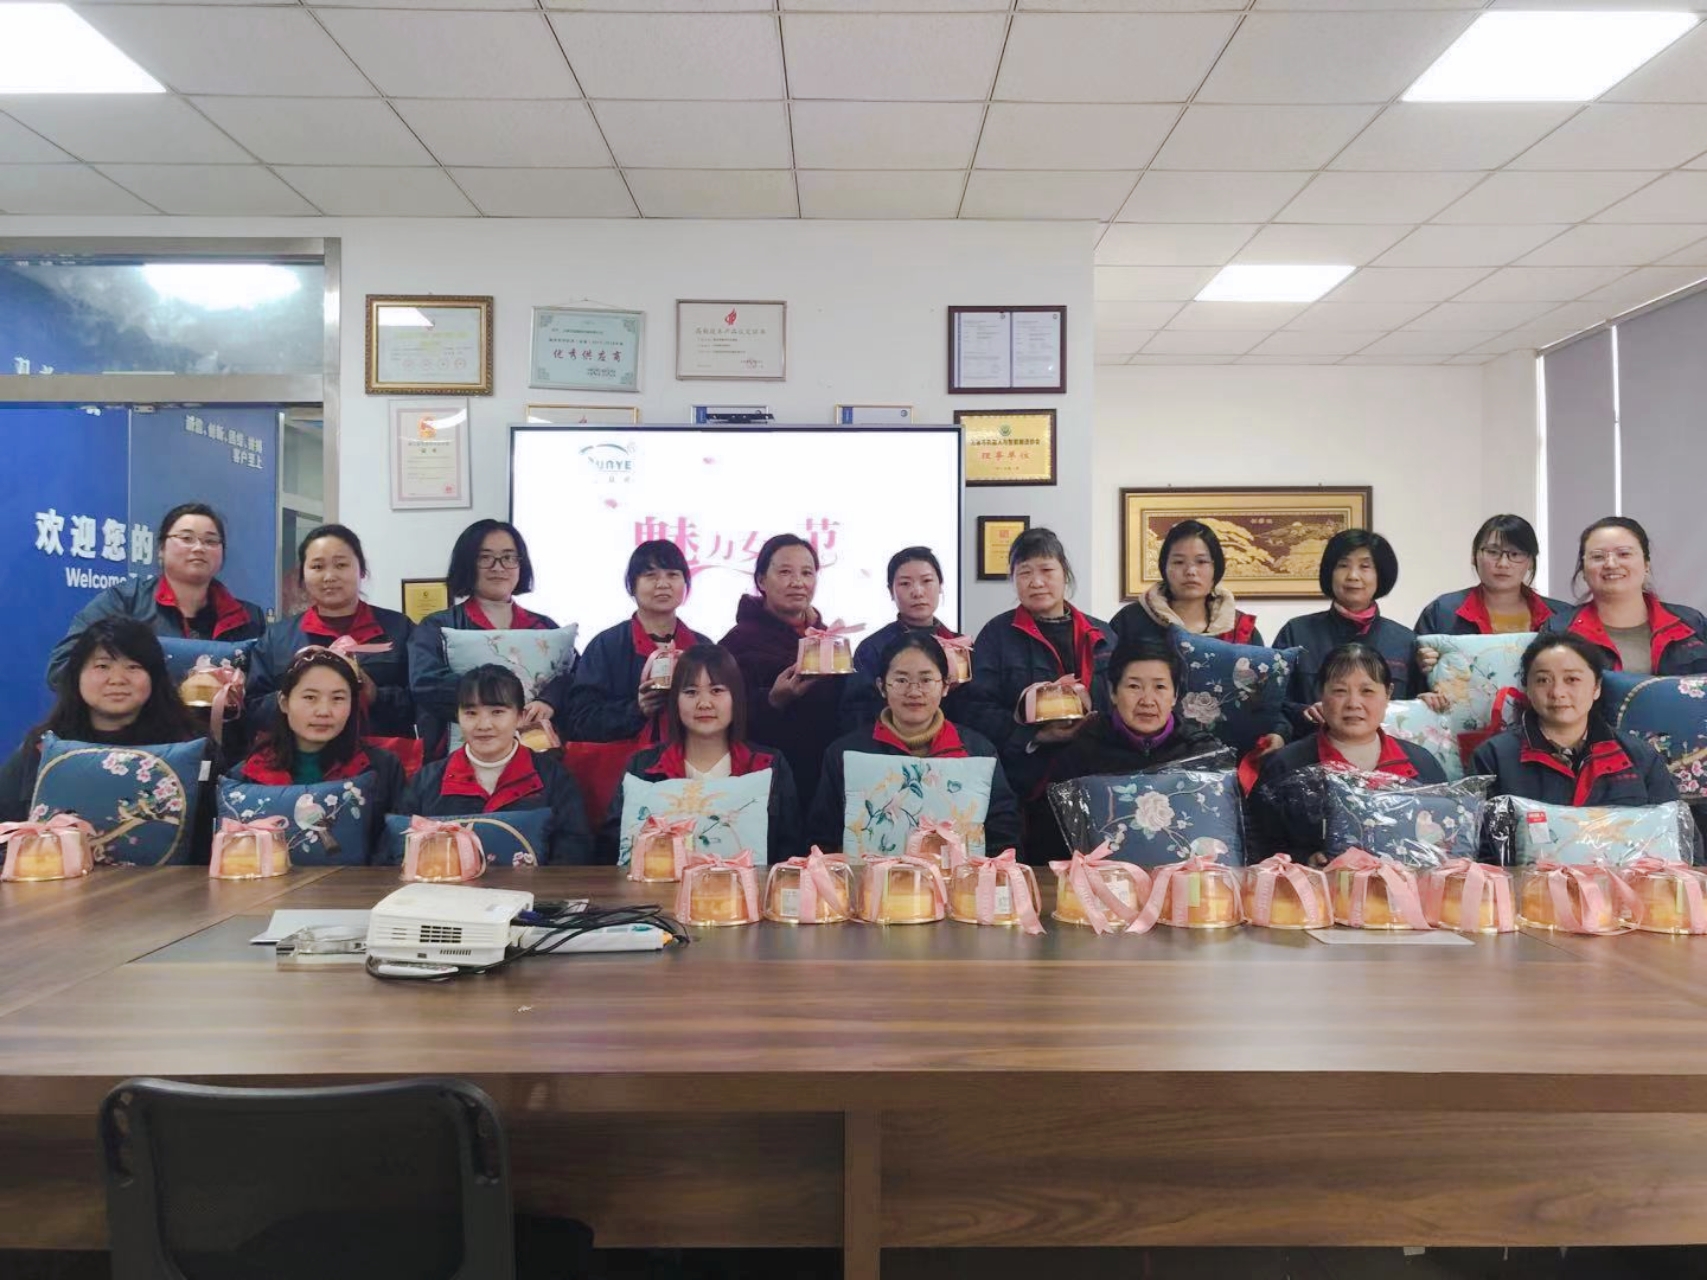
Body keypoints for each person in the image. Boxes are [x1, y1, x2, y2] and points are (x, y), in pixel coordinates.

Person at [960, 528, 1114, 859]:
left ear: (1064, 573)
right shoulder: (996, 635)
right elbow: (975, 709)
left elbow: (1123, 698)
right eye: (1025, 573)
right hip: (1027, 785)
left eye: (1046, 570)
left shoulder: (1102, 634)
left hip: (1097, 777)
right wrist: (1035, 735)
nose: (1037, 582)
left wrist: (1095, 721)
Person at [809, 631, 1019, 855]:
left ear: (945, 686)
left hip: (958, 877)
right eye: (901, 680)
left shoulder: (978, 751)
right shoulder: (845, 753)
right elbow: (823, 839)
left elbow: (1003, 836)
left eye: (926, 680)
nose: (914, 691)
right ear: (881, 686)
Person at [1027, 638, 1230, 865]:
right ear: (1113, 692)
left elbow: (1229, 834)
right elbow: (1048, 840)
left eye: (1160, 687)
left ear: (1175, 696)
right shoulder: (1081, 754)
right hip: (1103, 880)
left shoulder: (1203, 753)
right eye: (1134, 686)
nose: (1147, 700)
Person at [599, 644, 800, 865]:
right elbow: (611, 850)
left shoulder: (769, 765)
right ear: (675, 700)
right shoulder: (642, 767)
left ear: (736, 698)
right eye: (691, 692)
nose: (704, 703)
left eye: (717, 691)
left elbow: (789, 853)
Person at [1250, 643, 1448, 860]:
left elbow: (1446, 841)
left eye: (1367, 691)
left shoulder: (1421, 764)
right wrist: (1302, 861)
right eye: (1340, 691)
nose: (1354, 703)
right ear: (1321, 694)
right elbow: (1257, 846)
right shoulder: (1285, 766)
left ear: (1388, 693)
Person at [46, 503, 266, 690]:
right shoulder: (124, 602)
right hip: (141, 726)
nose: (199, 548)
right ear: (161, 549)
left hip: (224, 727)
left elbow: (266, 688)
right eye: (186, 538)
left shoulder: (248, 617)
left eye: (210, 541)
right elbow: (61, 669)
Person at [3, 618, 202, 822]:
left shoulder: (187, 743)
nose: (117, 679)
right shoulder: (43, 745)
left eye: (133, 667)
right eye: (102, 666)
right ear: (77, 675)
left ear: (155, 677)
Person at [408, 520, 569, 759]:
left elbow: (574, 675)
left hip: (537, 758)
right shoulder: (437, 627)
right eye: (485, 558)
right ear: (467, 563)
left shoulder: (545, 627)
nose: (498, 567)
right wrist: (501, 700)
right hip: (458, 761)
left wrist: (548, 701)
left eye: (508, 557)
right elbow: (425, 682)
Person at [401, 665, 591, 865]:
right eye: (471, 713)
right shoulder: (427, 781)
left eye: (497, 712)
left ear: (520, 717)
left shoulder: (554, 778)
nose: (484, 725)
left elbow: (574, 852)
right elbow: (398, 850)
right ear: (458, 716)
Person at [227, 647, 404, 859]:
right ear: (284, 702)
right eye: (310, 697)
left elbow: (393, 850)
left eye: (338, 698)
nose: (324, 711)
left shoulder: (382, 768)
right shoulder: (244, 776)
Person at [245, 525, 416, 740]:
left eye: (341, 565)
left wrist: (375, 695)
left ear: (362, 570)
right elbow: (254, 707)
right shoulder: (277, 638)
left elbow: (423, 703)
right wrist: (299, 696)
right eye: (317, 566)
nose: (329, 576)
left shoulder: (400, 629)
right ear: (302, 575)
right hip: (300, 755)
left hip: (384, 755)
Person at [1470, 632, 1677, 807]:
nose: (1557, 692)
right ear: (1528, 690)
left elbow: (1673, 831)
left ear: (1596, 688)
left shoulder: (1641, 757)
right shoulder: (1493, 758)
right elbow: (1475, 837)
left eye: (1572, 679)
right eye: (1543, 680)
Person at [719, 533, 844, 813]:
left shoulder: (828, 640)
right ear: (762, 580)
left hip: (824, 781)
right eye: (785, 572)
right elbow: (722, 715)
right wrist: (772, 700)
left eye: (807, 573)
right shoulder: (736, 643)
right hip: (765, 783)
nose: (798, 582)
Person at [1274, 529, 1436, 734]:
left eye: (1365, 566)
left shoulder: (1405, 641)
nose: (1353, 576)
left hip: (1384, 750)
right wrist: (1303, 712)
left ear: (1380, 575)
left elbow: (1415, 711)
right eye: (1343, 565)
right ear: (1329, 572)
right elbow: (1272, 702)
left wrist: (1425, 704)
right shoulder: (1296, 632)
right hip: (1310, 746)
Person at [561, 540, 708, 745]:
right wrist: (637, 709)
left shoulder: (703, 648)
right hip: (625, 761)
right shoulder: (606, 645)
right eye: (651, 576)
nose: (663, 584)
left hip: (692, 757)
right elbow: (580, 720)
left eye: (673, 575)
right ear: (632, 585)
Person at [1539, 517, 1707, 676]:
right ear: (1583, 570)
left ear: (1646, 565)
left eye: (1624, 554)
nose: (1611, 564)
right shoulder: (1559, 630)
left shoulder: (1692, 623)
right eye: (1598, 557)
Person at [841, 546, 973, 731]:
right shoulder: (872, 648)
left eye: (927, 581)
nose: (917, 592)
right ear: (891, 591)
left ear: (940, 586)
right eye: (905, 584)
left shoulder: (961, 646)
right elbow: (857, 714)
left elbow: (975, 707)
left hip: (952, 744)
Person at [1110, 519, 1264, 648]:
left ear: (1216, 568)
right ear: (1164, 567)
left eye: (1201, 561)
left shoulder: (1241, 630)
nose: (1190, 571)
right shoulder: (1129, 622)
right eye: (1179, 562)